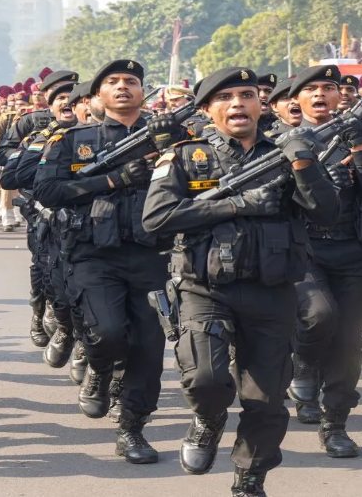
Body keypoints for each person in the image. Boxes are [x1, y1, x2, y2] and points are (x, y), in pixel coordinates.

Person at [142, 66, 338, 496]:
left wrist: (304, 163)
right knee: (207, 380)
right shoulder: (186, 156)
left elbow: (327, 213)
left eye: (247, 95)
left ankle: (250, 479)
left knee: (266, 400)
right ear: (207, 109)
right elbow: (156, 218)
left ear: (260, 104)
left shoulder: (288, 150)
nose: (237, 104)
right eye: (225, 97)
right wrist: (234, 206)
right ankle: (208, 418)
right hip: (205, 288)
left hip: (272, 290)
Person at [34, 59, 187, 465]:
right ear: (96, 95)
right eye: (113, 82)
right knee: (106, 333)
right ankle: (100, 369)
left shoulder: (171, 137)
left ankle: (132, 427)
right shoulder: (73, 140)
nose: (123, 87)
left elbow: (199, 184)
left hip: (152, 253)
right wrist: (112, 180)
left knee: (149, 347)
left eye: (131, 81)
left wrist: (174, 146)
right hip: (94, 254)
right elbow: (48, 191)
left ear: (143, 92)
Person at [285, 65, 362, 455]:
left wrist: (359, 144)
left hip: (352, 248)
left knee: (348, 341)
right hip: (304, 249)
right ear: (296, 100)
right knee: (319, 315)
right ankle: (303, 364)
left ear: (339, 96)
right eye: (311, 89)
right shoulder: (282, 141)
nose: (320, 94)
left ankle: (335, 424)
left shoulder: (361, 135)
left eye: (328, 88)